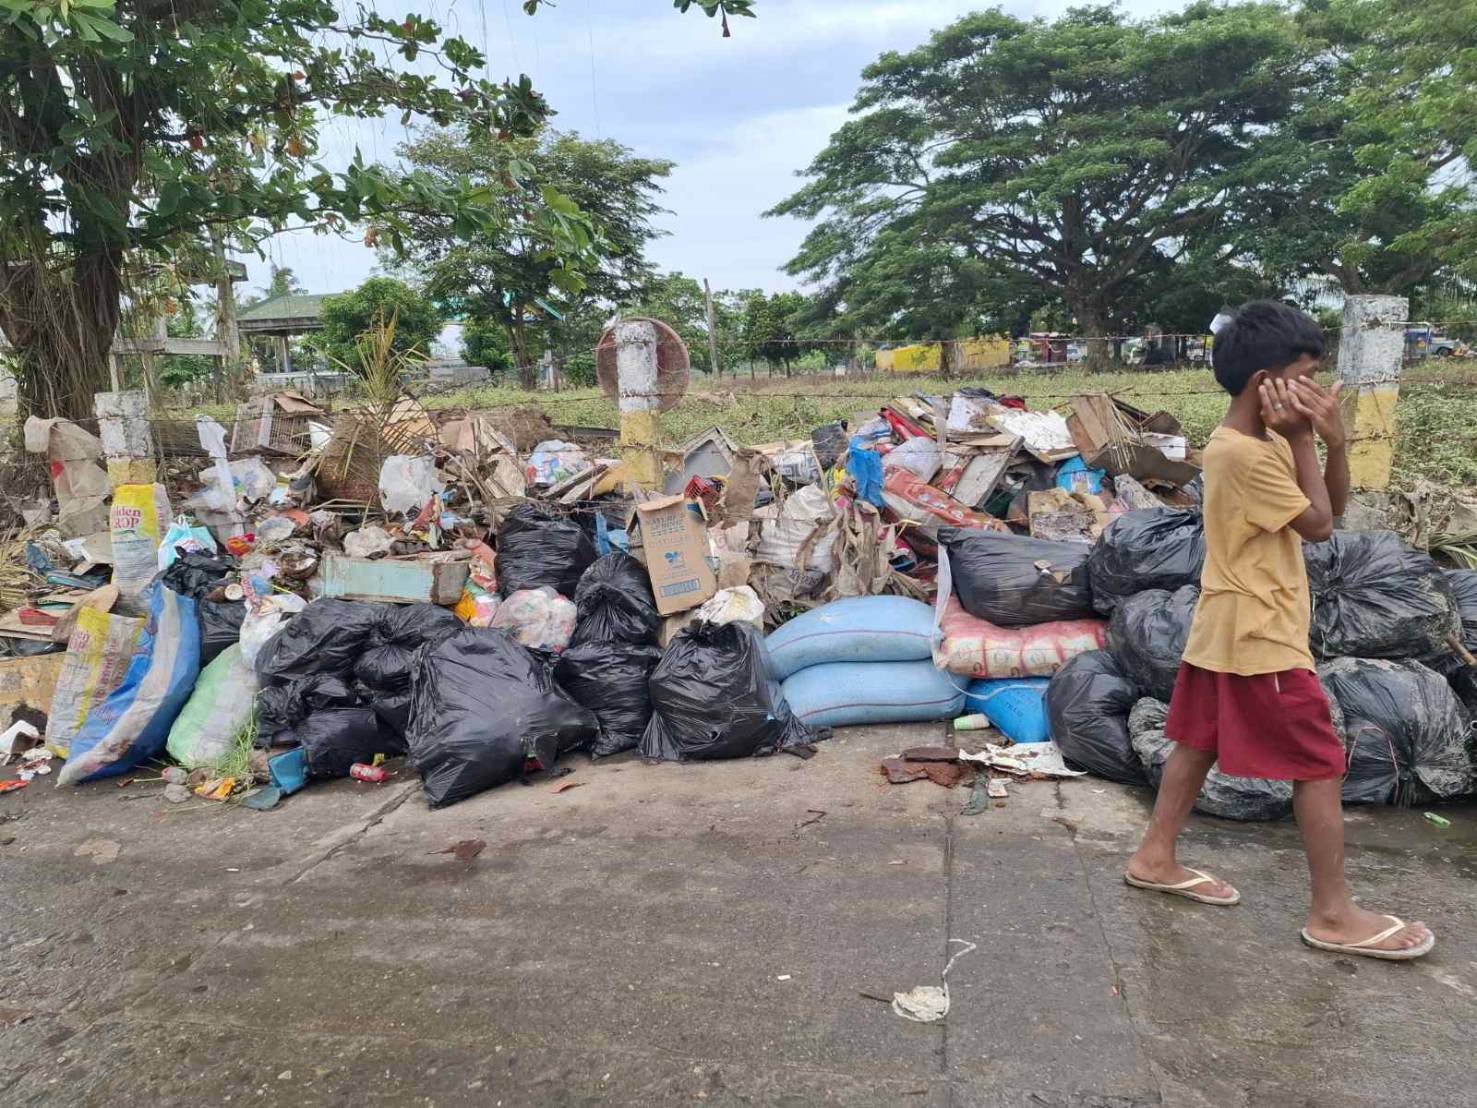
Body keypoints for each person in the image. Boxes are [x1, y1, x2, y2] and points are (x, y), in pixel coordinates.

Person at [1124, 300, 1435, 961]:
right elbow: (1320, 527)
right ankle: (1331, 913)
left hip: (1225, 625)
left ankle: (1154, 857)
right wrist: (1316, 440)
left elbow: (1327, 509)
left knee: (1196, 741)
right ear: (1267, 380)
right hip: (1258, 634)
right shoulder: (1247, 454)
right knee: (1319, 764)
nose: (1318, 392)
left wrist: (1320, 445)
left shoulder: (1249, 443)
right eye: (1306, 376)